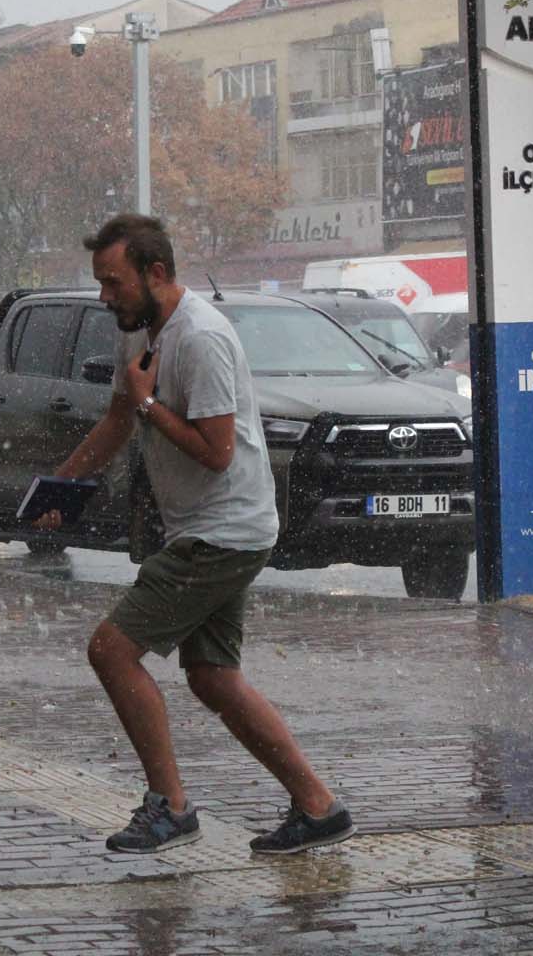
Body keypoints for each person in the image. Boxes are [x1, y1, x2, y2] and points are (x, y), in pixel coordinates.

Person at [35, 213, 354, 857]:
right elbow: (122, 417)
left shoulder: (202, 338)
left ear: (156, 273)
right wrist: (63, 485)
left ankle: (170, 807)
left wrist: (152, 403)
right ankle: (319, 807)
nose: (105, 297)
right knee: (213, 678)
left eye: (114, 283)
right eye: (100, 283)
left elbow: (215, 449)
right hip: (211, 528)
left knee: (112, 651)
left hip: (223, 531)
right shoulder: (142, 331)